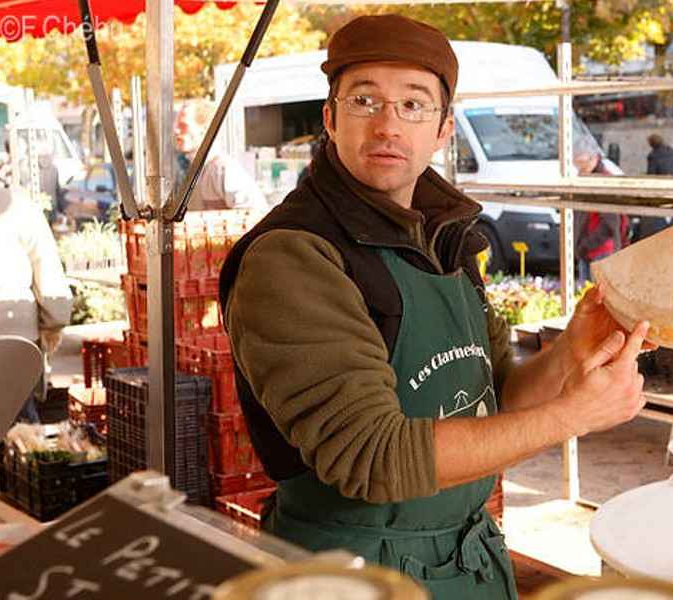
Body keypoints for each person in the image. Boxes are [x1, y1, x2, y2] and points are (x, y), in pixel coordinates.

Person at [220, 15, 648, 600]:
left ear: (444, 128)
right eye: (364, 99)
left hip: (464, 564)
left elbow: (493, 402)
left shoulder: (444, 238)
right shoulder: (294, 256)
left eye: (414, 104)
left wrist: (572, 352)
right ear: (330, 118)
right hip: (354, 573)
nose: (387, 124)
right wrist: (572, 416)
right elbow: (374, 457)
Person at [0, 169, 72, 423]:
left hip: (16, 339)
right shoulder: (20, 208)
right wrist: (54, 322)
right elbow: (47, 270)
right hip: (17, 341)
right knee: (20, 425)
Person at [174, 99, 269, 212]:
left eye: (183, 125)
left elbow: (254, 213)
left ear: (205, 129)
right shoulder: (195, 168)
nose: (177, 131)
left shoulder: (221, 168)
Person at [572, 146, 628, 281]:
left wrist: (586, 245)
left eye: (583, 163)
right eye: (577, 163)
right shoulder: (583, 180)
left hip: (601, 250)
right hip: (586, 249)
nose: (581, 168)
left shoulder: (604, 181)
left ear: (596, 158)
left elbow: (610, 224)